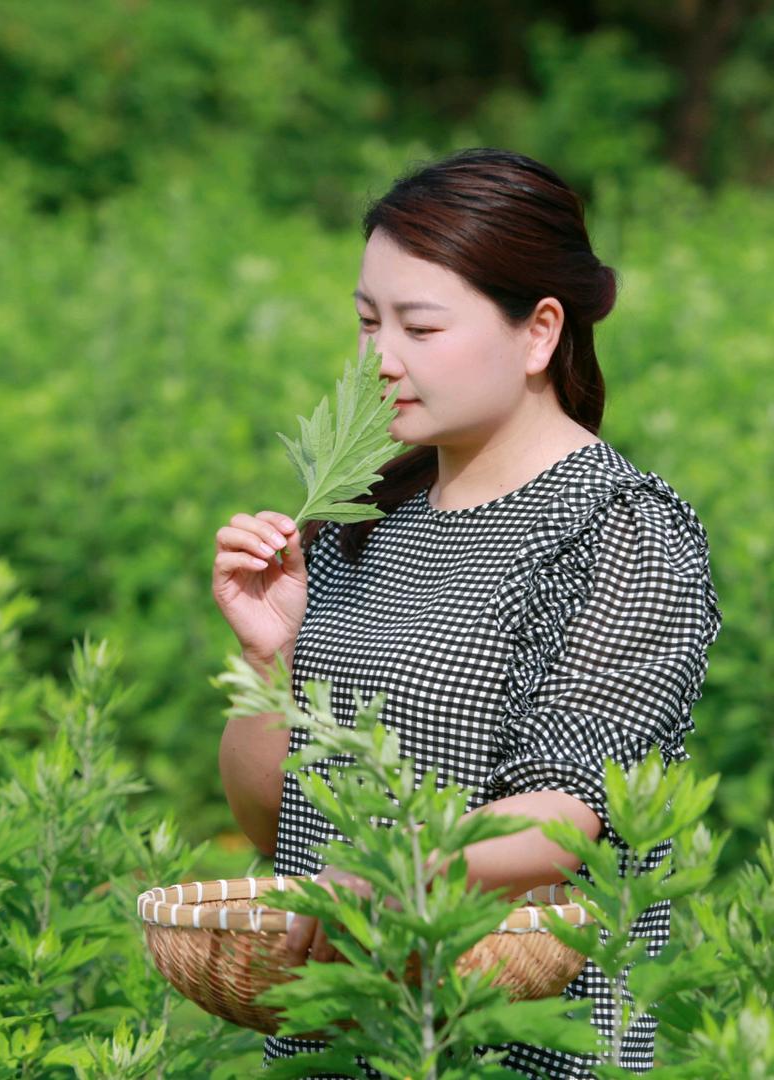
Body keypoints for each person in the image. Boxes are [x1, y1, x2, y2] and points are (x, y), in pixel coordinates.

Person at [210, 147, 723, 1078]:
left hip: (516, 1049)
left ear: (539, 332)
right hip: (340, 1038)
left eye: (422, 325)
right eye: (367, 321)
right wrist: (268, 661)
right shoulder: (362, 523)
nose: (381, 358)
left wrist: (398, 871)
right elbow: (271, 827)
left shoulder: (619, 530)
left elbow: (569, 817)